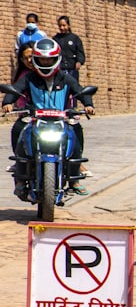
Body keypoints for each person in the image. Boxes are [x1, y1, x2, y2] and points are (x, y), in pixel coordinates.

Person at [2, 38, 94, 197]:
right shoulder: (29, 78)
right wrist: (8, 103)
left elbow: (79, 91)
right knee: (19, 129)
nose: (45, 62)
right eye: (42, 59)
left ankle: (74, 179)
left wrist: (88, 105)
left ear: (56, 59)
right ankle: (20, 171)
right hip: (35, 119)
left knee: (76, 133)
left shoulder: (65, 78)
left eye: (49, 59)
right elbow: (15, 90)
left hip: (61, 119)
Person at [53, 15, 86, 82]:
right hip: (59, 69)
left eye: (64, 25)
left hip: (72, 69)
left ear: (68, 25)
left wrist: (79, 62)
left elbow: (80, 52)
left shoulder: (75, 38)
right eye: (60, 26)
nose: (62, 28)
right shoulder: (56, 39)